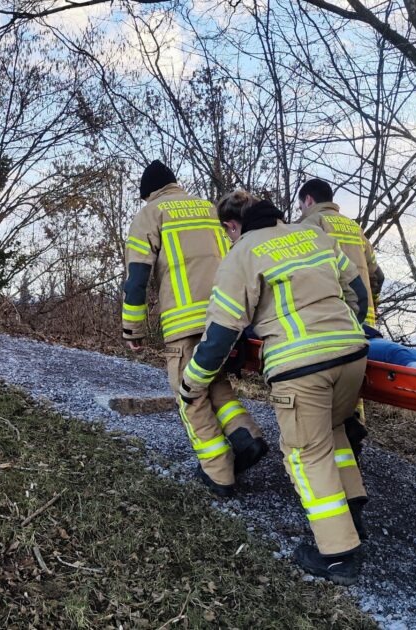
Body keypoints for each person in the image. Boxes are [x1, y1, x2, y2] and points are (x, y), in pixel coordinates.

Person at [179, 191, 370, 584]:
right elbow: (359, 293)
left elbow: (220, 333)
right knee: (334, 431)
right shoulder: (313, 235)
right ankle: (352, 513)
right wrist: (343, 329)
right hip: (353, 356)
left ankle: (337, 554)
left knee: (306, 453)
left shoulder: (243, 253)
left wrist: (192, 380)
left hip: (302, 366)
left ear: (237, 226)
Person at [121, 162, 268, 498]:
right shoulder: (207, 208)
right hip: (225, 317)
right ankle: (246, 435)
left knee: (188, 393)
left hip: (184, 322)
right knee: (212, 379)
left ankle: (219, 473)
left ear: (148, 193)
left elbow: (138, 277)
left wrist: (133, 329)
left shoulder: (150, 214)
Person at [297, 177, 382, 459]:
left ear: (308, 200)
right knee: (354, 384)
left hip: (335, 317)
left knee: (333, 387)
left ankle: (339, 442)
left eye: (301, 205)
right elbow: (376, 275)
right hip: (365, 316)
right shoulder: (354, 228)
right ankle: (354, 439)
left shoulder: (312, 224)